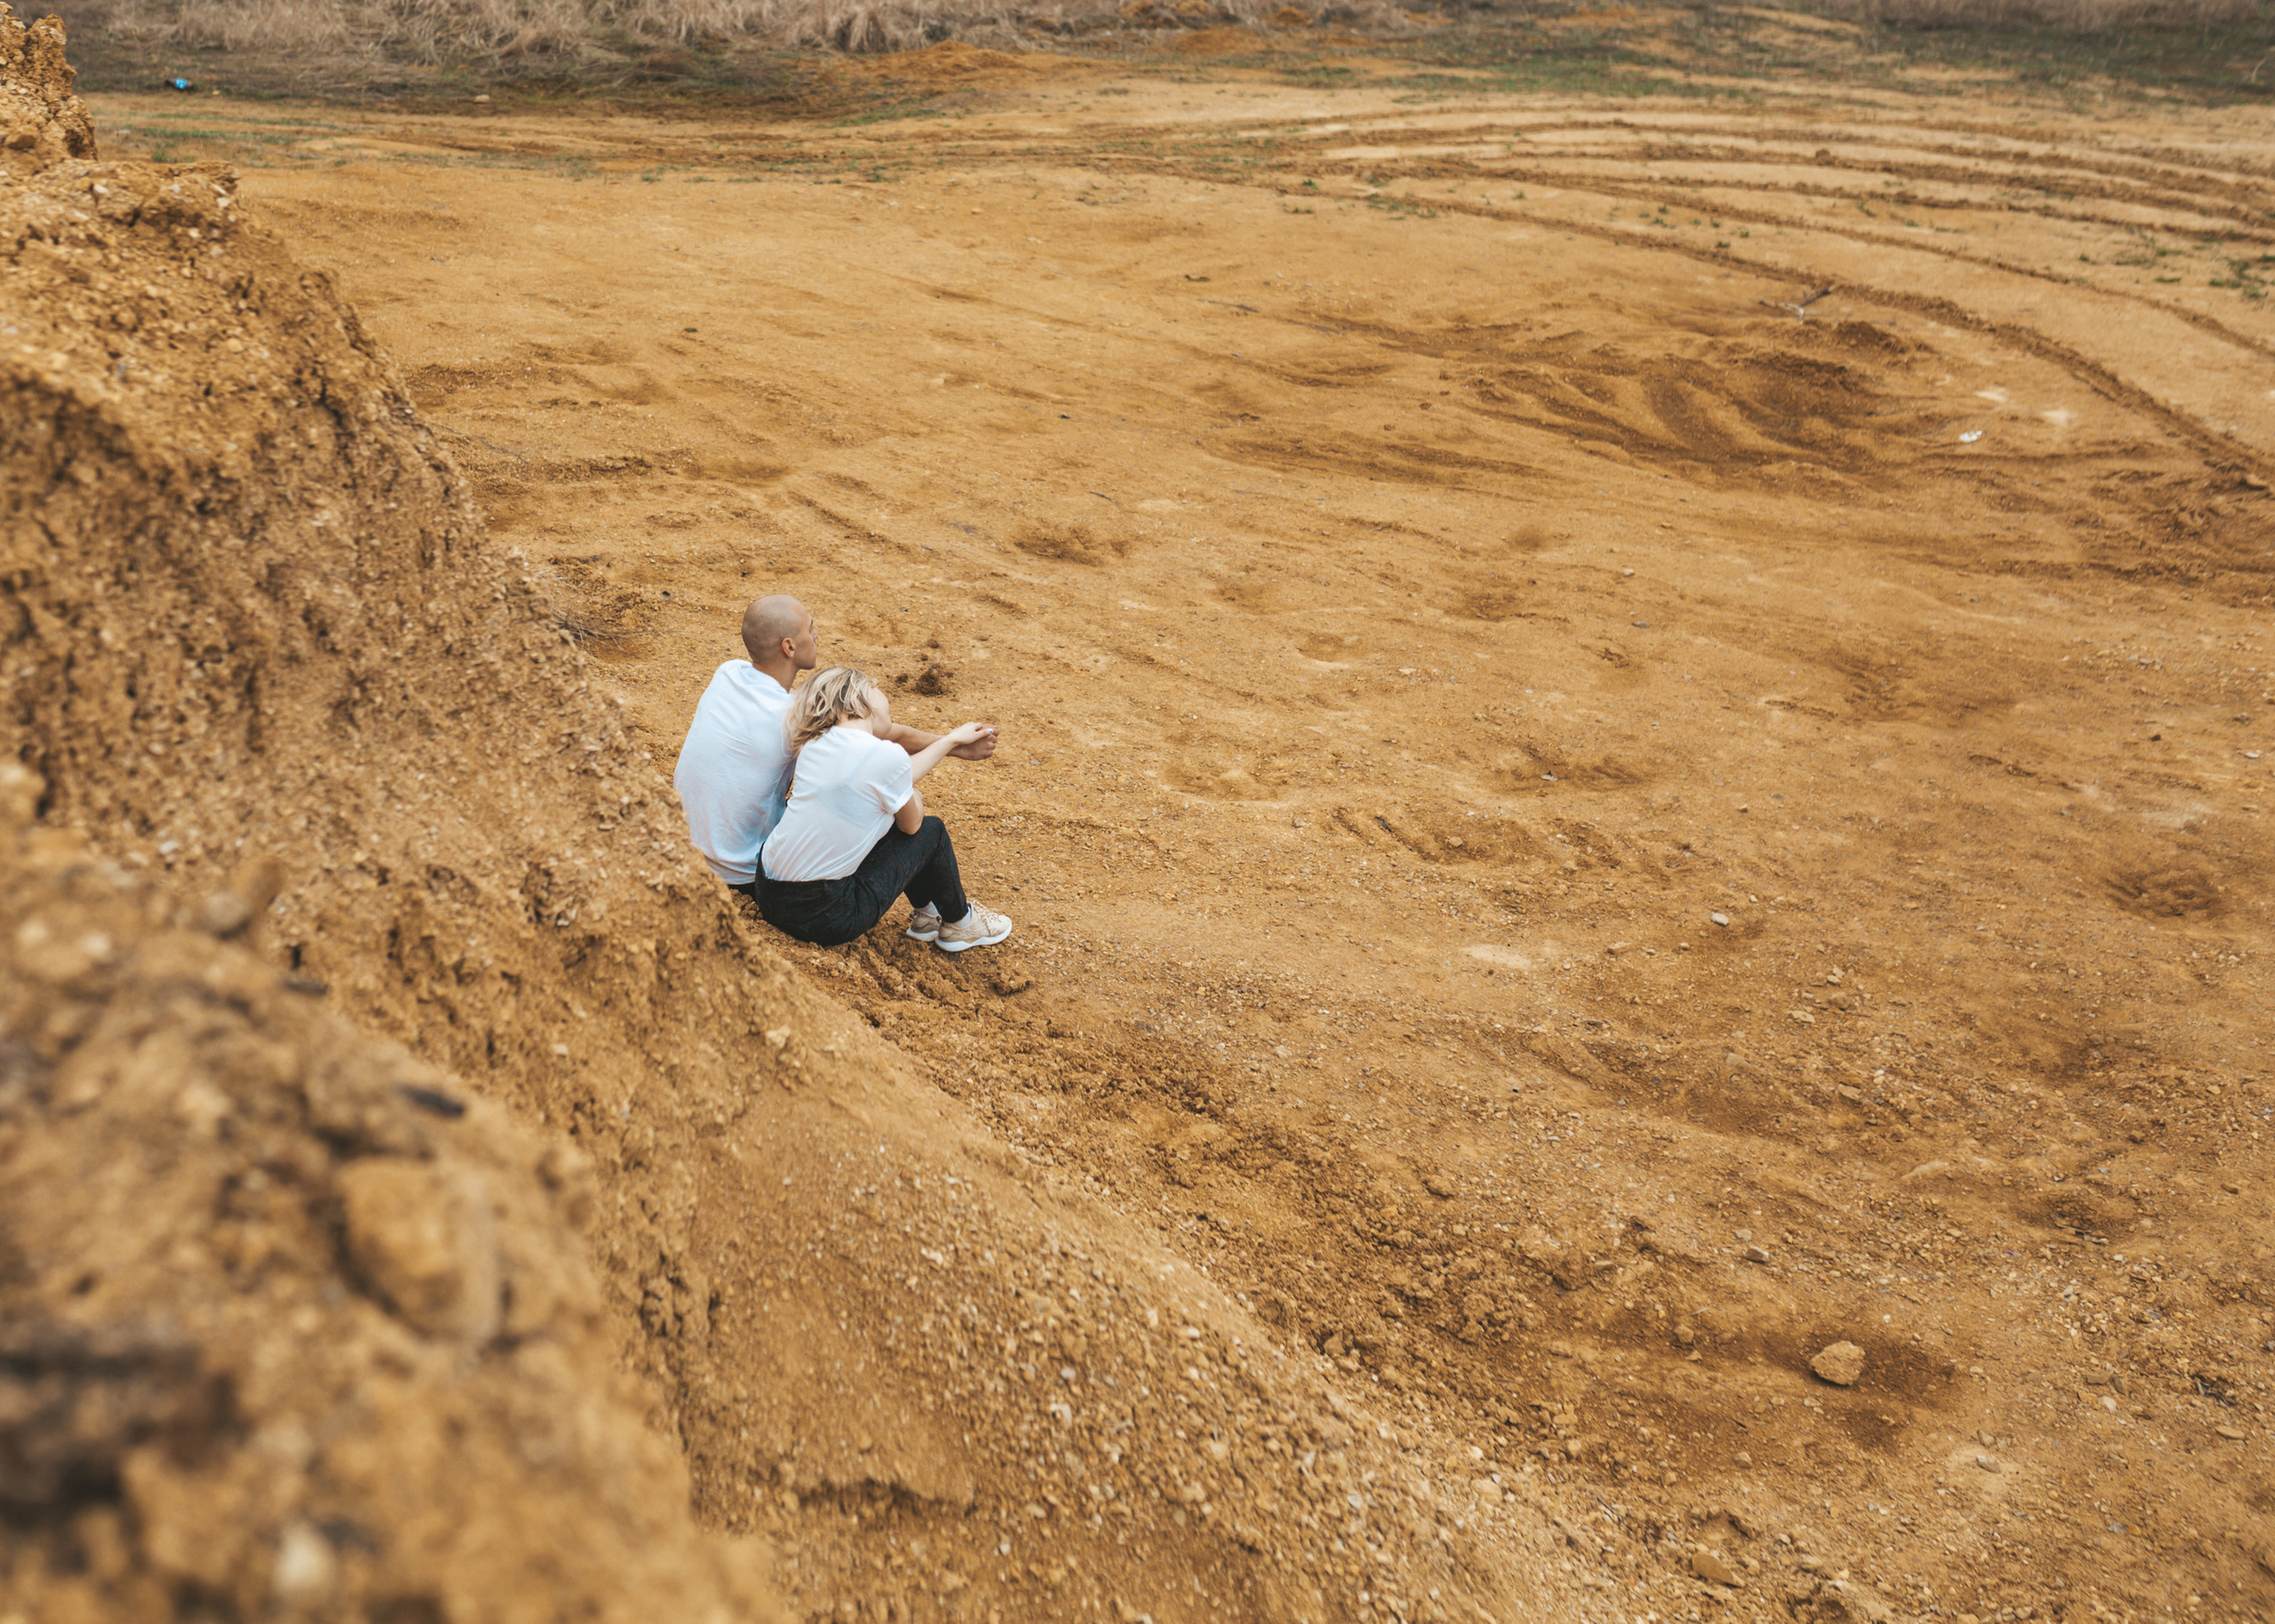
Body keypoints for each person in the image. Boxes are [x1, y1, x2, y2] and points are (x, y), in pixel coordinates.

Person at [673, 594, 994, 890]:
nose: (816, 635)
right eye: (810, 629)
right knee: (886, 800)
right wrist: (954, 746)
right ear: (789, 647)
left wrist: (952, 744)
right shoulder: (796, 718)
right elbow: (884, 733)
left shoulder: (727, 673)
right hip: (743, 870)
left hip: (684, 851)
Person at [754, 666, 1011, 952]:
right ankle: (961, 924)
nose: (882, 691)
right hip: (824, 915)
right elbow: (913, 827)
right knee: (931, 831)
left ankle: (927, 916)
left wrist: (942, 749)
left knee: (878, 815)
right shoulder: (882, 755)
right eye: (873, 687)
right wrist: (946, 745)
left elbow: (888, 755)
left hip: (767, 891)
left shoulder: (816, 743)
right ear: (857, 700)